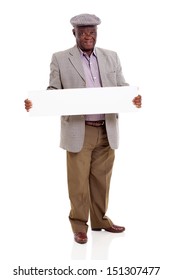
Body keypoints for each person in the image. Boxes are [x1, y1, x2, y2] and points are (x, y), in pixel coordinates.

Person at [25, 13, 142, 244]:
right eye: (83, 33)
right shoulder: (60, 58)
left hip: (107, 128)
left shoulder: (112, 57)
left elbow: (122, 87)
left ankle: (100, 220)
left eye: (92, 33)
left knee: (102, 180)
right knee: (78, 182)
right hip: (80, 130)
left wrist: (133, 98)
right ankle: (79, 226)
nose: (88, 37)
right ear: (74, 34)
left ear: (97, 33)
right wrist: (37, 103)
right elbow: (53, 90)